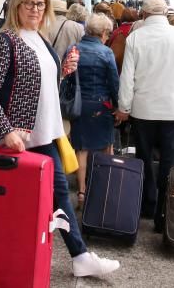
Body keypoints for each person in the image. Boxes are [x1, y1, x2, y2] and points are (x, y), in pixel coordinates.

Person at [0, 0, 120, 279]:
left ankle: (77, 256)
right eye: (29, 3)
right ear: (17, 5)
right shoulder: (4, 40)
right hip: (19, 138)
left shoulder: (39, 38)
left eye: (40, 4)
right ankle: (13, 261)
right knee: (26, 203)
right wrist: (5, 130)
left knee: (56, 198)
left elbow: (38, 86)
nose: (35, 9)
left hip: (44, 133)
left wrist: (62, 71)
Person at [115, 0, 174, 234]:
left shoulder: (135, 37)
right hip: (173, 112)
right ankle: (164, 216)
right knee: (171, 163)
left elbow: (127, 78)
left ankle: (147, 205)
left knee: (144, 160)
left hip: (143, 112)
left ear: (143, 15)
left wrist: (124, 108)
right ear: (165, 14)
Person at [67, 12, 119, 209]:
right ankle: (104, 189)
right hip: (101, 105)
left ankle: (81, 192)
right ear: (103, 32)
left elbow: (67, 77)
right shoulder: (106, 53)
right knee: (106, 146)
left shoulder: (73, 49)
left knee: (82, 149)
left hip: (79, 106)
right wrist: (118, 106)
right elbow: (114, 83)